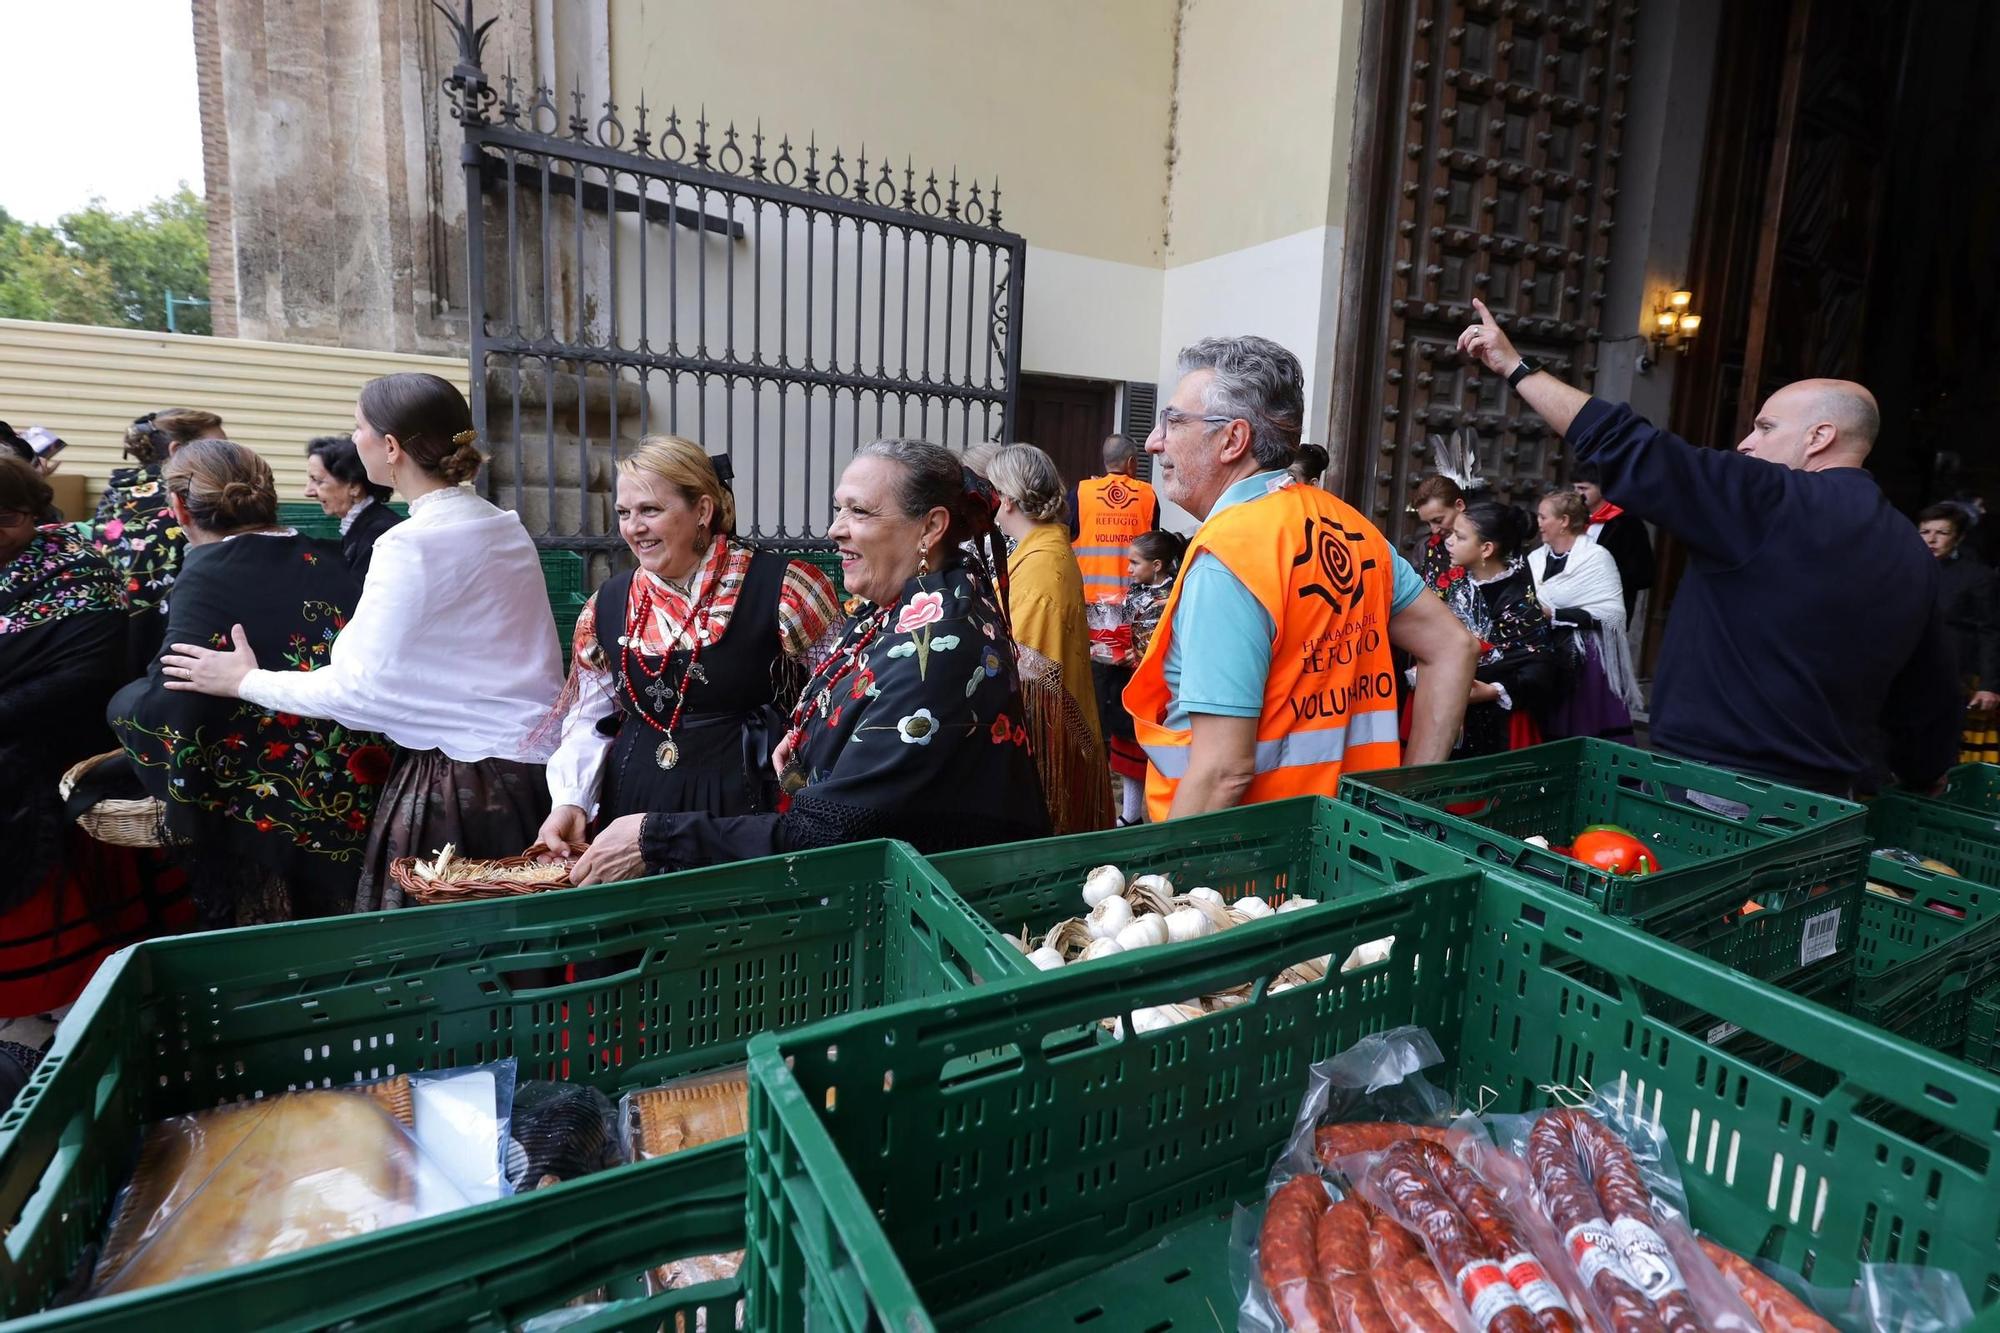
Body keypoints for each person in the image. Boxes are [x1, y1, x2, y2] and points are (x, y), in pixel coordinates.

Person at [1458, 297, 1958, 793]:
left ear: (1820, 436)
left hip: (1717, 790)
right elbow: (1928, 697)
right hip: (1829, 802)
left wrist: (1516, 367)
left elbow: (1629, 446)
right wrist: (1921, 775)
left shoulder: (1770, 499)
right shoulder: (1912, 550)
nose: (1746, 443)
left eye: (1766, 427)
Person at [158, 373, 566, 909]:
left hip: (467, 781)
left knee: (451, 957)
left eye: (359, 427)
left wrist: (244, 681)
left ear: (391, 448)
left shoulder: (410, 544)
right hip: (534, 771)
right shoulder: (499, 524)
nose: (353, 439)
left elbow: (357, 692)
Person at [566, 439, 1049, 883]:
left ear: (931, 526)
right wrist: (805, 736)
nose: (835, 529)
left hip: (920, 902)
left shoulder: (938, 648)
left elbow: (828, 832)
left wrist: (657, 837)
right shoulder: (906, 606)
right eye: (839, 508)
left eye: (859, 511)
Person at [1124, 336, 1478, 822]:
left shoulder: (1228, 556)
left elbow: (1224, 771)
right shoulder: (1351, 527)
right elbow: (1453, 646)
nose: (1153, 441)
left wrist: (1165, 880)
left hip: (1246, 870)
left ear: (1232, 440)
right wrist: (1408, 805)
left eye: (1174, 421)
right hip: (1349, 840)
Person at [109, 440, 390, 927]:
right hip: (362, 783)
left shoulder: (207, 570)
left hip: (270, 802)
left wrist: (121, 706)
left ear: (178, 508)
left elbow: (175, 702)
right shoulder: (327, 555)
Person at [537, 437, 841, 855]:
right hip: (632, 805)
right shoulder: (607, 604)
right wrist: (569, 800)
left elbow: (837, 702)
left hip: (741, 811)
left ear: (702, 510)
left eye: (650, 510)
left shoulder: (786, 588)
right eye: (625, 513)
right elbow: (591, 717)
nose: (633, 527)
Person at [0, 458, 191, 1017]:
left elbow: (83, 675)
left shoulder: (78, 573)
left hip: (51, 755)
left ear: (38, 515)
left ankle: (78, 996)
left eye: (8, 517)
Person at [988, 442, 1111, 833]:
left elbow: (1028, 673)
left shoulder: (1041, 564)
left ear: (1006, 499)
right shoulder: (1039, 550)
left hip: (1046, 746)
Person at [1439, 500, 1555, 756]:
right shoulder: (1455, 582)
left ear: (1486, 548)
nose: (1449, 542)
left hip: (1497, 721)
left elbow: (1541, 667)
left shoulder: (1517, 600)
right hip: (1445, 706)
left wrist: (1493, 690)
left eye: (1459, 537)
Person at [1528, 489, 1639, 741]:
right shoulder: (1535, 558)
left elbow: (1613, 616)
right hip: (1545, 655)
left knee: (1581, 728)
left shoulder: (1596, 558)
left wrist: (1554, 613)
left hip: (1585, 661)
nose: (1539, 524)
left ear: (1564, 521)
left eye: (1543, 517)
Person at [94, 408, 225, 612]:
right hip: (170, 627)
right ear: (177, 450)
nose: (226, 457)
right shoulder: (190, 497)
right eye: (218, 449)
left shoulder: (117, 492)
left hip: (112, 622)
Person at [1110, 529, 1186, 823]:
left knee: (1154, 750)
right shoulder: (1135, 591)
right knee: (1127, 749)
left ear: (1157, 565)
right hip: (1131, 679)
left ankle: (1162, 814)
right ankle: (1130, 815)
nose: (1128, 569)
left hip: (1160, 688)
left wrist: (1140, 655)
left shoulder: (1172, 597)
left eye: (1134, 563)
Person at [1916, 504, 2000, 754]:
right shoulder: (1903, 567)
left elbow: (1991, 630)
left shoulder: (1977, 576)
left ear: (1958, 537)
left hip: (1954, 673)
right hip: (1903, 667)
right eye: (1925, 531)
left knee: (1940, 744)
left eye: (1942, 533)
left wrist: (1989, 684)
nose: (1931, 539)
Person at [305, 434, 402, 579]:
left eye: (318, 481)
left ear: (354, 487)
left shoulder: (380, 533)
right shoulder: (364, 525)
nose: (308, 492)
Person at [1572, 462, 1655, 618]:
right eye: (1575, 488)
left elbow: (1644, 575)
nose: (1577, 495)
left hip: (1607, 612)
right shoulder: (1574, 519)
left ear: (1603, 488)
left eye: (1583, 489)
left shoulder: (1628, 525)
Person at [1411, 475, 1467, 594]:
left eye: (1438, 520)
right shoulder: (1424, 547)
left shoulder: (1483, 545)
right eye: (1428, 523)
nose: (1434, 530)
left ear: (1459, 506)